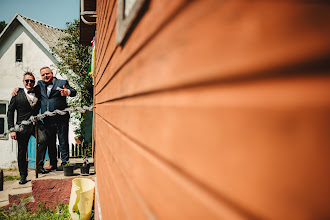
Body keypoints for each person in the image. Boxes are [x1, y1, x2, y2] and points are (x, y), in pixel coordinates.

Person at [7, 72, 48, 185]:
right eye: (27, 81)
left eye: (32, 81)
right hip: (22, 127)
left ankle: (39, 166)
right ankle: (23, 176)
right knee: (22, 151)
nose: (29, 83)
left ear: (34, 82)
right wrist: (12, 129)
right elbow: (10, 112)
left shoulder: (38, 92)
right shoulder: (17, 94)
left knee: (44, 140)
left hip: (36, 124)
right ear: (23, 82)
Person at [38, 66, 76, 171]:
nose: (45, 76)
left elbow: (74, 92)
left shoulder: (62, 82)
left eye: (47, 74)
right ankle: (53, 163)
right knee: (51, 142)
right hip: (47, 119)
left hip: (61, 118)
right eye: (43, 75)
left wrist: (68, 92)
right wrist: (18, 89)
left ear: (52, 73)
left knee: (63, 141)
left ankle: (65, 163)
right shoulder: (40, 84)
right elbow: (29, 89)